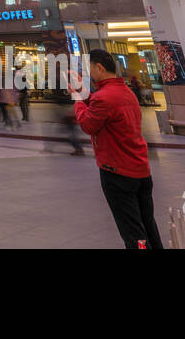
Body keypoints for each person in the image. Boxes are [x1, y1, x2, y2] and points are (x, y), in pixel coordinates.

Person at [73, 49, 162, 249]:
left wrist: (78, 99)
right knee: (147, 224)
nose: (88, 74)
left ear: (99, 68)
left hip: (118, 173)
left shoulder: (104, 98)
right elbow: (102, 109)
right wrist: (85, 94)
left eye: (89, 70)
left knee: (133, 233)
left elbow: (88, 124)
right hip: (140, 170)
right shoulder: (125, 92)